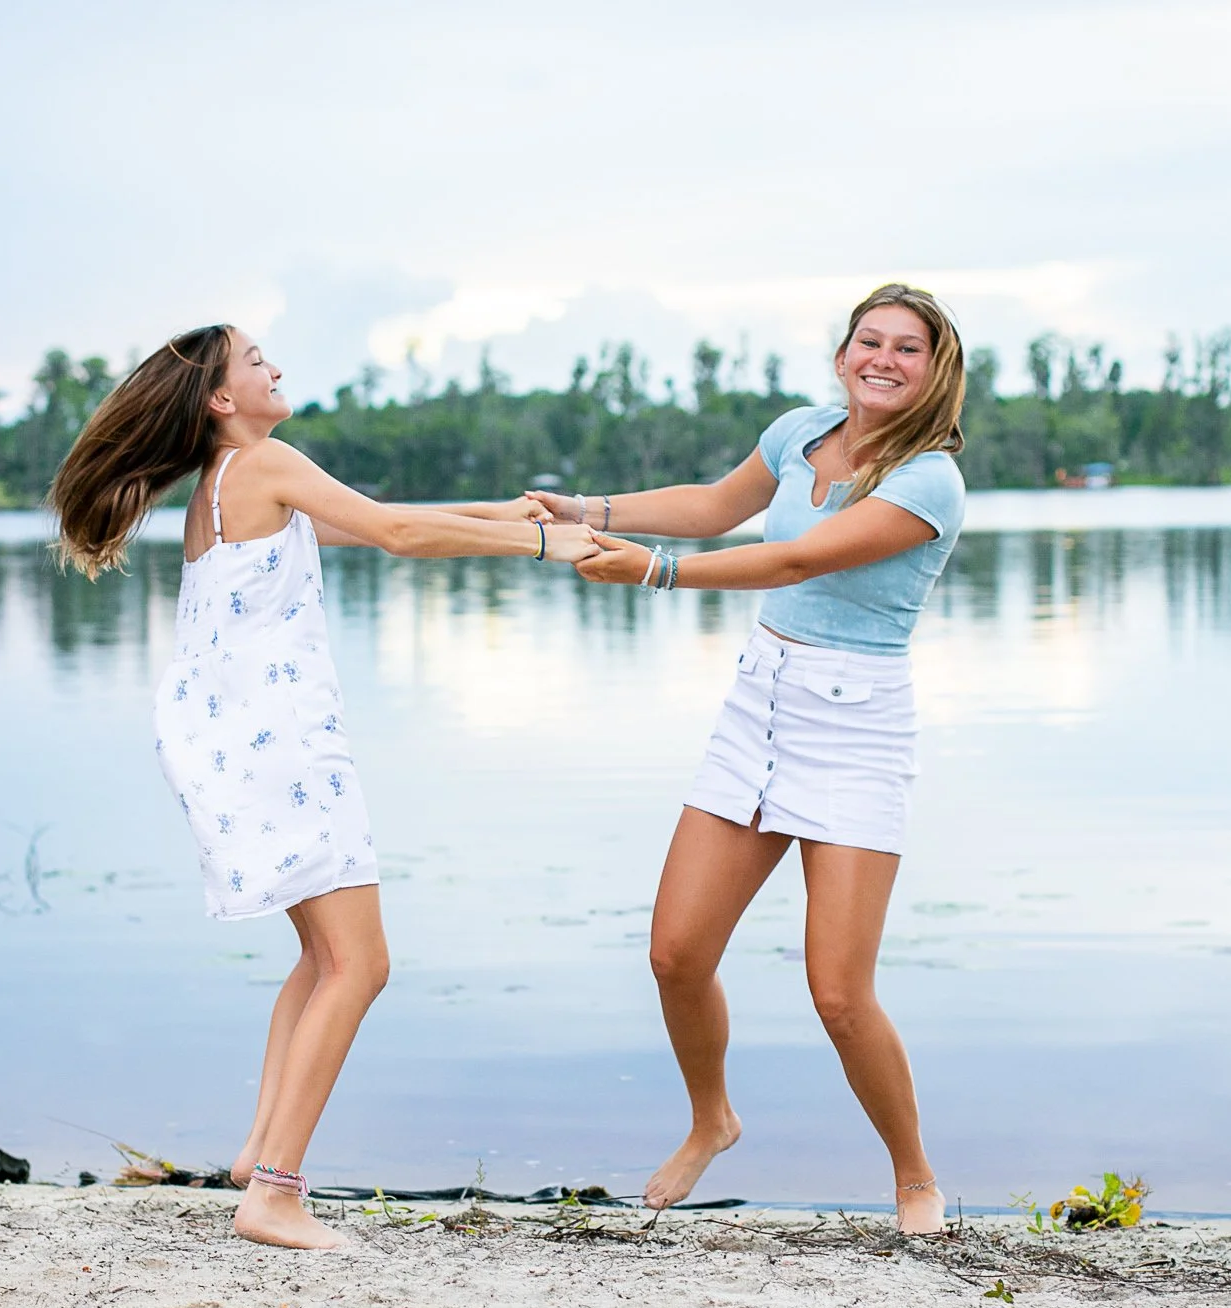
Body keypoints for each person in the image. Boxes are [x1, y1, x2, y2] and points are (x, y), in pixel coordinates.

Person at [49, 325, 595, 1250]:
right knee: (360, 965)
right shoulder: (263, 465)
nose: (276, 369)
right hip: (283, 746)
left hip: (234, 741)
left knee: (319, 960)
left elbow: (377, 518)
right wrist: (543, 548)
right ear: (221, 400)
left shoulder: (234, 485)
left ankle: (258, 1152)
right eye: (257, 362)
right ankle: (275, 1192)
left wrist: (510, 515)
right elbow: (398, 533)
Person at [541, 283, 968, 1234]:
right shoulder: (801, 432)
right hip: (759, 705)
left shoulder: (929, 479)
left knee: (838, 993)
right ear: (843, 352)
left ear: (937, 372)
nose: (885, 360)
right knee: (676, 952)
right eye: (871, 341)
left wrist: (649, 569)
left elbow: (797, 560)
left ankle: (914, 1177)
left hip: (856, 729)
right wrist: (589, 505)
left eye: (909, 349)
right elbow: (712, 507)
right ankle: (712, 1120)